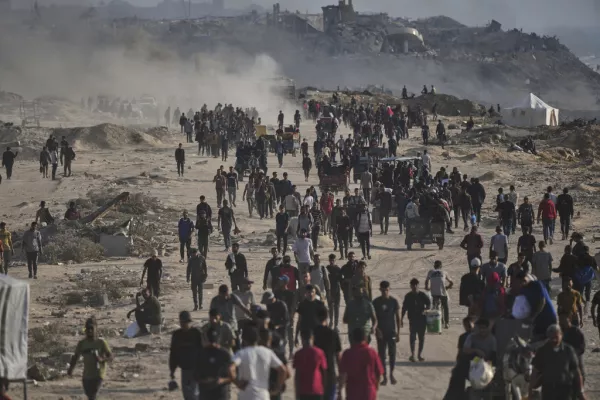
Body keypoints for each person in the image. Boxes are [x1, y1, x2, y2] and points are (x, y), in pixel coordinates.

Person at [529, 324, 586, 400]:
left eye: (556, 337)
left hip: (565, 391)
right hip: (548, 391)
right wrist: (530, 390)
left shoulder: (568, 350)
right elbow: (535, 371)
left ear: (561, 335)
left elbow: (576, 371)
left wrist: (581, 390)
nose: (554, 340)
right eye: (551, 338)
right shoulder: (542, 351)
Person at [233, 326, 286, 400]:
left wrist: (237, 382)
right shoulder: (267, 352)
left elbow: (231, 368)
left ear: (244, 340)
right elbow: (283, 370)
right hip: (262, 395)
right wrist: (278, 388)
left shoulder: (241, 353)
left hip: (245, 395)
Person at [67, 317, 113, 400]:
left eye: (92, 328)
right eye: (88, 328)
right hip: (86, 375)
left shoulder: (101, 342)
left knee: (92, 395)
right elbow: (75, 357)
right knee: (89, 395)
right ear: (85, 329)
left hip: (98, 374)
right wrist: (70, 369)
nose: (90, 331)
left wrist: (101, 360)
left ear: (96, 328)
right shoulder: (82, 343)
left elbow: (110, 357)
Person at [338, 328, 384, 400]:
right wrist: (376, 387)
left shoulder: (347, 354)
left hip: (352, 392)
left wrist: (340, 392)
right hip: (369, 392)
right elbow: (378, 372)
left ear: (353, 339)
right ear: (365, 338)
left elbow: (342, 375)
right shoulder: (371, 352)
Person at [169, 311, 204, 400]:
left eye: (186, 322)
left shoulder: (196, 333)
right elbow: (173, 353)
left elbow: (203, 351)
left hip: (197, 368)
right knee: (187, 395)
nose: (184, 324)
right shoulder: (177, 335)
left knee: (195, 394)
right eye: (182, 322)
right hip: (185, 369)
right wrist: (172, 370)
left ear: (190, 322)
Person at [197, 326, 236, 400]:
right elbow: (195, 375)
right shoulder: (201, 354)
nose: (213, 344)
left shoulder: (225, 354)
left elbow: (233, 377)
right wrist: (205, 381)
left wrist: (222, 380)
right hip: (205, 395)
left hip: (221, 394)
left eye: (214, 341)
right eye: (211, 341)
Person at [373, 281, 400, 385]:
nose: (385, 292)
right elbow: (373, 318)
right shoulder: (376, 302)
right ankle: (384, 376)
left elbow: (397, 318)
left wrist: (398, 333)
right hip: (381, 332)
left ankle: (391, 374)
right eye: (383, 290)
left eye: (387, 290)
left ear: (389, 289)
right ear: (380, 290)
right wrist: (376, 330)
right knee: (381, 355)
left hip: (391, 332)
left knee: (392, 354)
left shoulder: (393, 301)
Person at [312, 307, 341, 399]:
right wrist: (340, 378)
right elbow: (338, 357)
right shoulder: (333, 334)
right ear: (327, 317)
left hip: (316, 375)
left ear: (316, 317)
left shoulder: (313, 334)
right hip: (330, 374)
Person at [401, 278, 431, 362]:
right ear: (410, 286)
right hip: (412, 319)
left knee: (421, 337)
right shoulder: (408, 296)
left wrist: (426, 309)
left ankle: (419, 355)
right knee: (412, 337)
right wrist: (401, 318)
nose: (414, 286)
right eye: (413, 285)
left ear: (418, 285)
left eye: (416, 285)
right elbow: (404, 308)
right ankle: (413, 354)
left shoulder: (422, 295)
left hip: (422, 319)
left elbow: (429, 303)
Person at [293, 330, 327, 400]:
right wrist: (324, 389)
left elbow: (297, 376)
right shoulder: (319, 352)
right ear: (312, 338)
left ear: (302, 339)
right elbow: (324, 372)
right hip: (317, 389)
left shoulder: (298, 354)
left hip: (303, 390)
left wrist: (296, 393)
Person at [425, 260, 453, 329]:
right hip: (443, 293)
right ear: (441, 266)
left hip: (434, 293)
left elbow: (426, 281)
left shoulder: (430, 271)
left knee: (435, 307)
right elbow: (451, 282)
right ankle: (446, 323)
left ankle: (437, 322)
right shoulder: (444, 272)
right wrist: (448, 287)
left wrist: (427, 287)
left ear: (434, 266)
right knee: (445, 307)